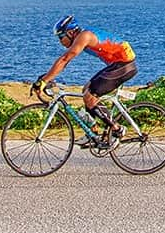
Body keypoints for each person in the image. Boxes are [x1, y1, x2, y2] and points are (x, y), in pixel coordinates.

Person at [33, 15, 137, 147]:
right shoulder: (83, 36)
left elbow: (65, 59)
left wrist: (44, 80)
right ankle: (92, 133)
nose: (60, 41)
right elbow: (64, 61)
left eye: (61, 37)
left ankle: (118, 129)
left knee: (90, 97)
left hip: (124, 65)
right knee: (86, 90)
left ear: (71, 33)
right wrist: (46, 77)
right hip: (117, 65)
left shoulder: (84, 36)